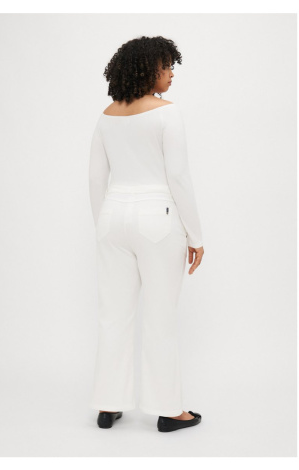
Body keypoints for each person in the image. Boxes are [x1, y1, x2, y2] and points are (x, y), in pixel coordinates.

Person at [88, 36, 204, 432]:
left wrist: (103, 225)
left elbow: (96, 178)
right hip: (157, 219)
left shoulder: (106, 115)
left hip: (112, 219)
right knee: (160, 317)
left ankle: (108, 405)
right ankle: (169, 411)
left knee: (113, 316)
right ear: (147, 69)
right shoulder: (167, 113)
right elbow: (179, 177)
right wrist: (195, 235)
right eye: (166, 66)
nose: (171, 73)